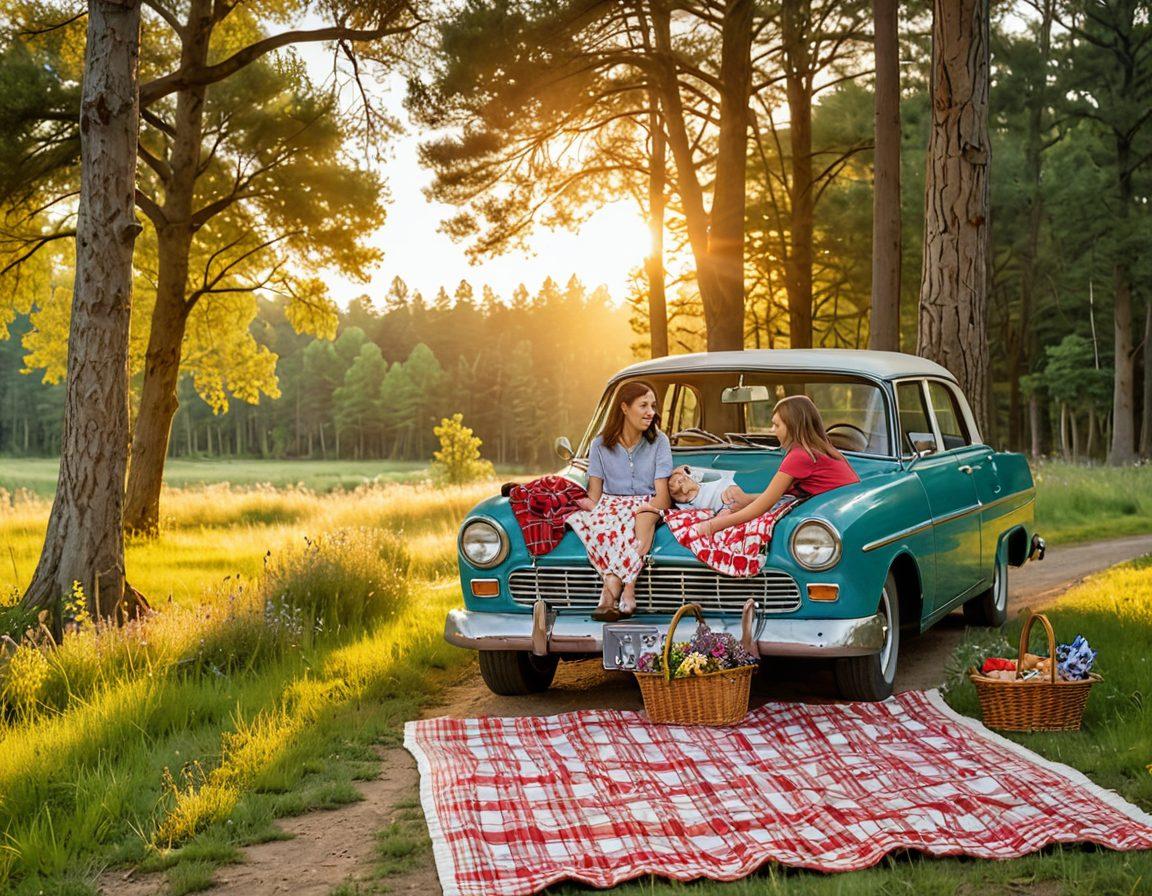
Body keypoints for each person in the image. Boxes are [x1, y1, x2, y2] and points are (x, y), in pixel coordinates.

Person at [568, 381, 672, 620]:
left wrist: (643, 508)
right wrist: (586, 507)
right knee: (608, 523)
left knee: (638, 519)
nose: (651, 412)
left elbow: (663, 497)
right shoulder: (600, 445)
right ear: (624, 408)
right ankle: (625, 591)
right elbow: (594, 495)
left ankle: (613, 592)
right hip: (611, 504)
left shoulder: (659, 441)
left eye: (653, 406)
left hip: (648, 503)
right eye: (643, 405)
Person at [694, 394, 859, 539]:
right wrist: (747, 499)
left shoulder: (800, 456)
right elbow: (781, 496)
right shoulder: (820, 449)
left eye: (777, 425)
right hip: (846, 515)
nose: (773, 430)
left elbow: (761, 507)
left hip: (832, 522)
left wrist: (712, 526)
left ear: (793, 426)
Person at [665, 465, 753, 513]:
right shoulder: (690, 507)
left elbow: (687, 469)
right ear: (684, 491)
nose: (685, 476)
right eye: (680, 481)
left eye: (685, 476)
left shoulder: (701, 481)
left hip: (733, 492)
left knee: (735, 493)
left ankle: (759, 503)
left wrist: (681, 470)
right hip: (726, 507)